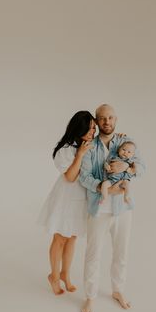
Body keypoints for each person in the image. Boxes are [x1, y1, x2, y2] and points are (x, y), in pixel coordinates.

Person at [79, 104, 145, 312]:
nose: (106, 121)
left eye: (110, 117)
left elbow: (142, 167)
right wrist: (104, 187)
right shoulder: (90, 146)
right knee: (93, 255)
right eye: (102, 118)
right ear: (97, 122)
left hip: (123, 209)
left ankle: (118, 290)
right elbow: (85, 177)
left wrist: (127, 167)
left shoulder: (126, 143)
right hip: (98, 208)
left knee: (121, 253)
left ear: (116, 119)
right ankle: (90, 296)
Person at [38, 111, 96, 295]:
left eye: (94, 128)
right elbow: (70, 177)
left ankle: (65, 274)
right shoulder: (65, 149)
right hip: (66, 198)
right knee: (60, 238)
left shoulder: (89, 144)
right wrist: (80, 155)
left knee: (72, 237)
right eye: (90, 129)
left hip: (81, 199)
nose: (93, 132)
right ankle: (53, 277)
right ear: (79, 128)